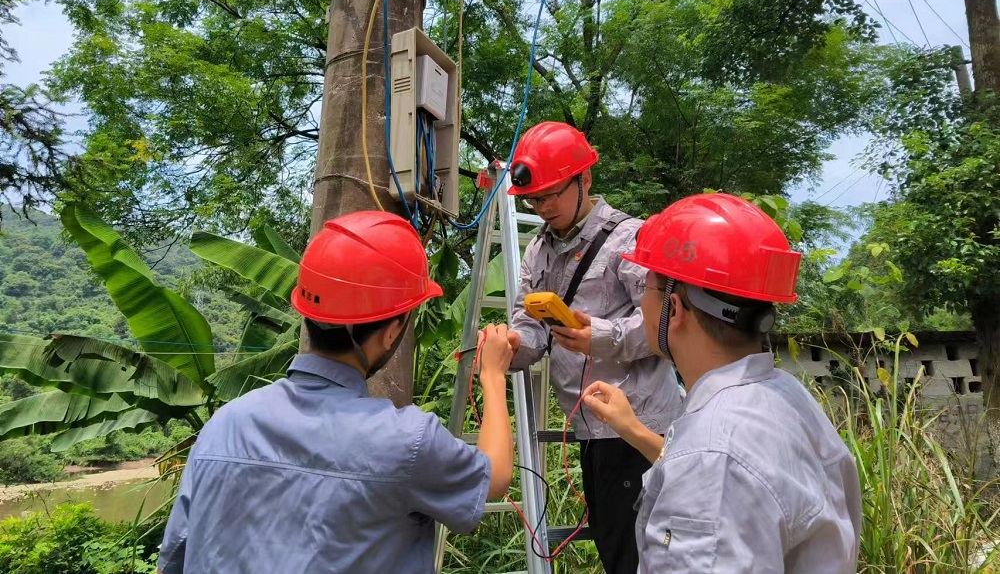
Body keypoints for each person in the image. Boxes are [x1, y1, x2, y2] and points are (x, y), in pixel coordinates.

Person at [157, 211, 516, 574]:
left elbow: (173, 556)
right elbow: (496, 476)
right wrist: (492, 375)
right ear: (392, 331)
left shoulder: (224, 425)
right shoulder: (407, 441)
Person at [582, 193, 862, 573]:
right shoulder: (788, 398)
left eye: (645, 289)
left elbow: (713, 463)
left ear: (674, 310)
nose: (640, 307)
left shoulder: (712, 458)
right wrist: (632, 429)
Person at [505, 121, 684, 574]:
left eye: (550, 195)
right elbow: (530, 325)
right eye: (532, 200)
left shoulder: (629, 239)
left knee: (641, 554)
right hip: (590, 430)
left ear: (584, 178)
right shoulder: (538, 250)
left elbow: (667, 324)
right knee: (614, 546)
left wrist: (599, 336)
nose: (542, 207)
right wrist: (512, 344)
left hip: (639, 427)